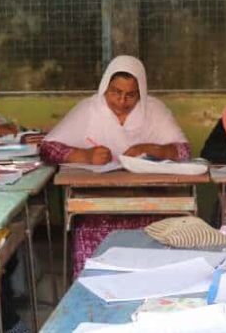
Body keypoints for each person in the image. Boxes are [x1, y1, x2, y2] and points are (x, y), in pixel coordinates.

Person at [40, 55, 190, 276]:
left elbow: (184, 151)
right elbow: (47, 148)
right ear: (104, 88)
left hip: (149, 201)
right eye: (115, 92)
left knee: (166, 233)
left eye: (130, 95)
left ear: (142, 93)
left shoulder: (154, 111)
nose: (121, 101)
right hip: (98, 204)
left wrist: (153, 148)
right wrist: (84, 155)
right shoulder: (89, 110)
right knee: (90, 232)